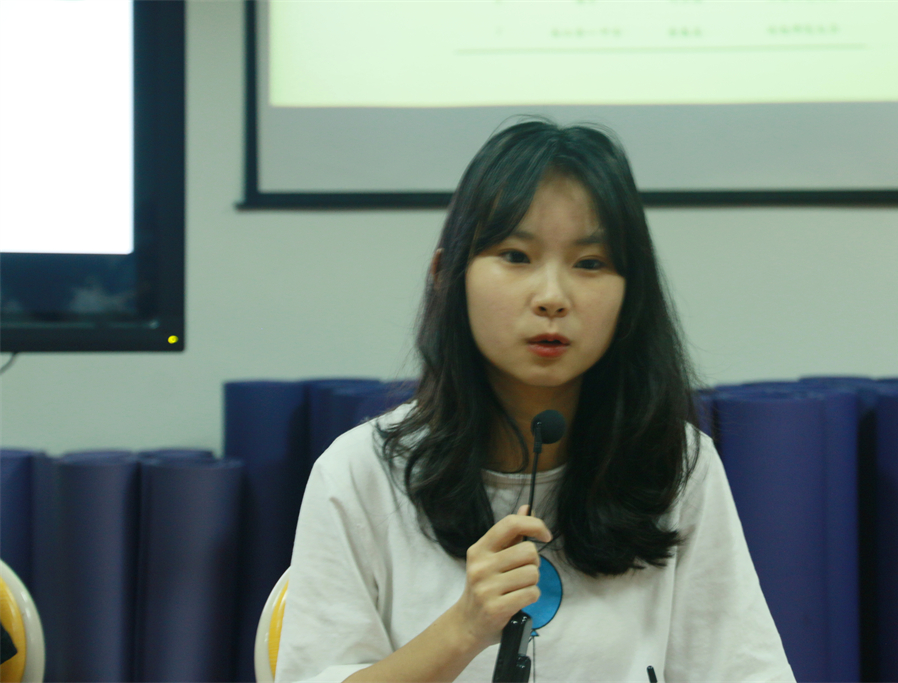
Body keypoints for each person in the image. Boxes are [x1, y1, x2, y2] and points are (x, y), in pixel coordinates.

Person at [275, 121, 794, 682]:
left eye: (589, 263)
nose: (552, 297)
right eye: (516, 255)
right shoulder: (359, 473)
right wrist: (464, 628)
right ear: (447, 276)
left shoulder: (675, 466)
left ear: (631, 293)